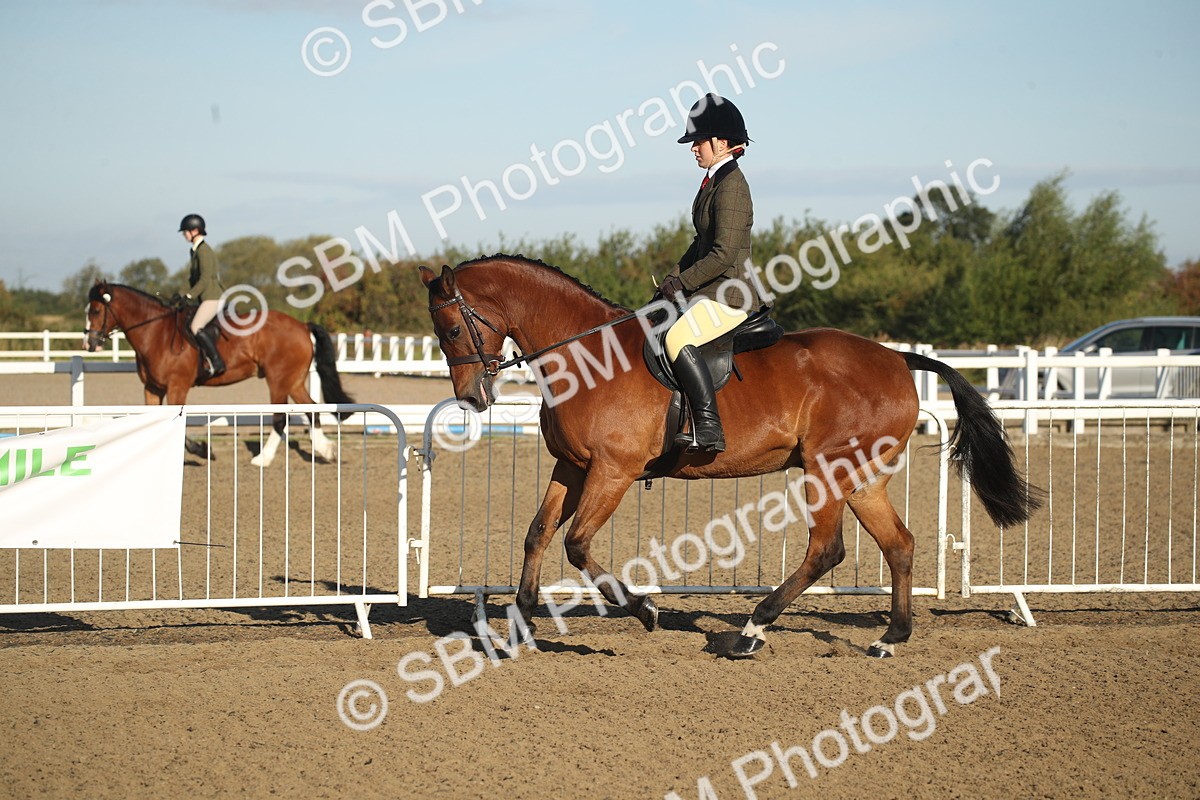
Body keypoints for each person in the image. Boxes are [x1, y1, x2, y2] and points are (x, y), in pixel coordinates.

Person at [658, 93, 757, 453]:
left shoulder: (732, 185)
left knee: (676, 339)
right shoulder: (713, 182)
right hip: (709, 290)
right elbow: (700, 244)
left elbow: (723, 253)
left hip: (730, 294)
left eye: (698, 141)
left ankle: (708, 426)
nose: (693, 149)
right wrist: (670, 280)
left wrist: (682, 283)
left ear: (721, 142)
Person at [178, 213, 226, 377]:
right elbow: (192, 278)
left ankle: (217, 361)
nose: (184, 234)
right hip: (204, 296)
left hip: (212, 296)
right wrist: (180, 294)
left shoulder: (204, 251)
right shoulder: (195, 250)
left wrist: (190, 296)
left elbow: (205, 279)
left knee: (195, 326)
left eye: (186, 231)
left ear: (195, 231)